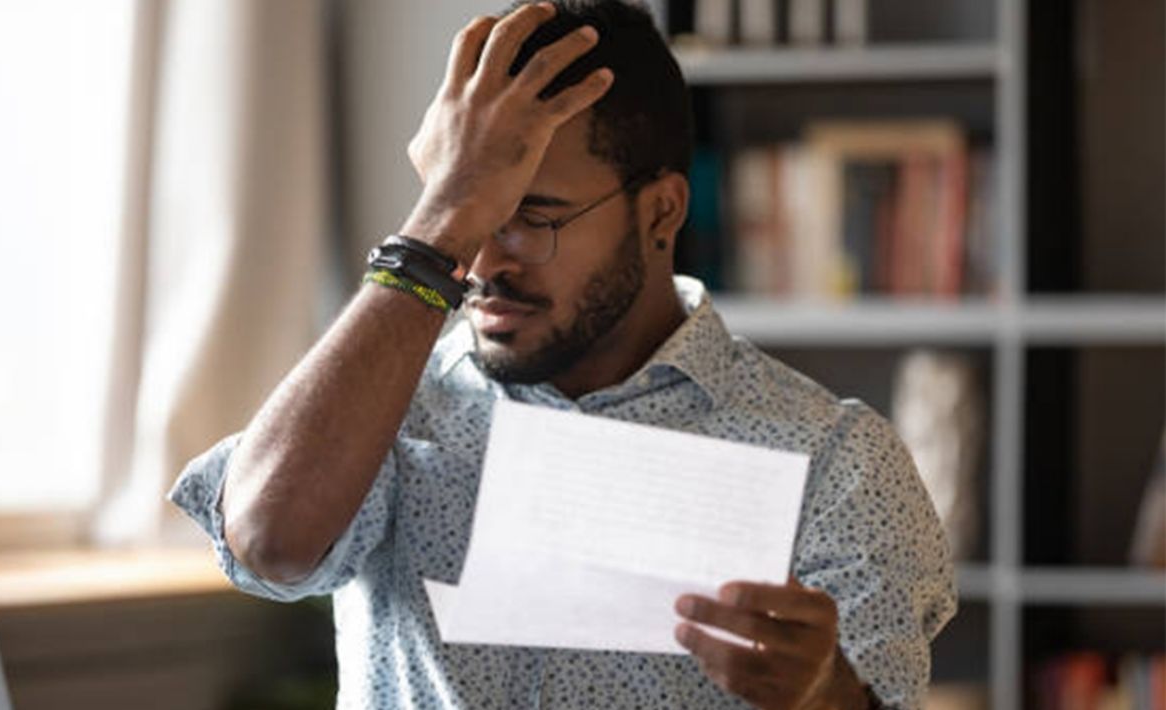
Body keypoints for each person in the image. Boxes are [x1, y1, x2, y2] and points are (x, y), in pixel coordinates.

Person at [169, 1, 957, 708]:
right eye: (468, 215)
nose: (482, 263)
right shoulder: (386, 406)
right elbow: (268, 543)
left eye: (529, 217)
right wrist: (440, 221)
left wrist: (822, 692)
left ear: (661, 211)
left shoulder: (836, 460)